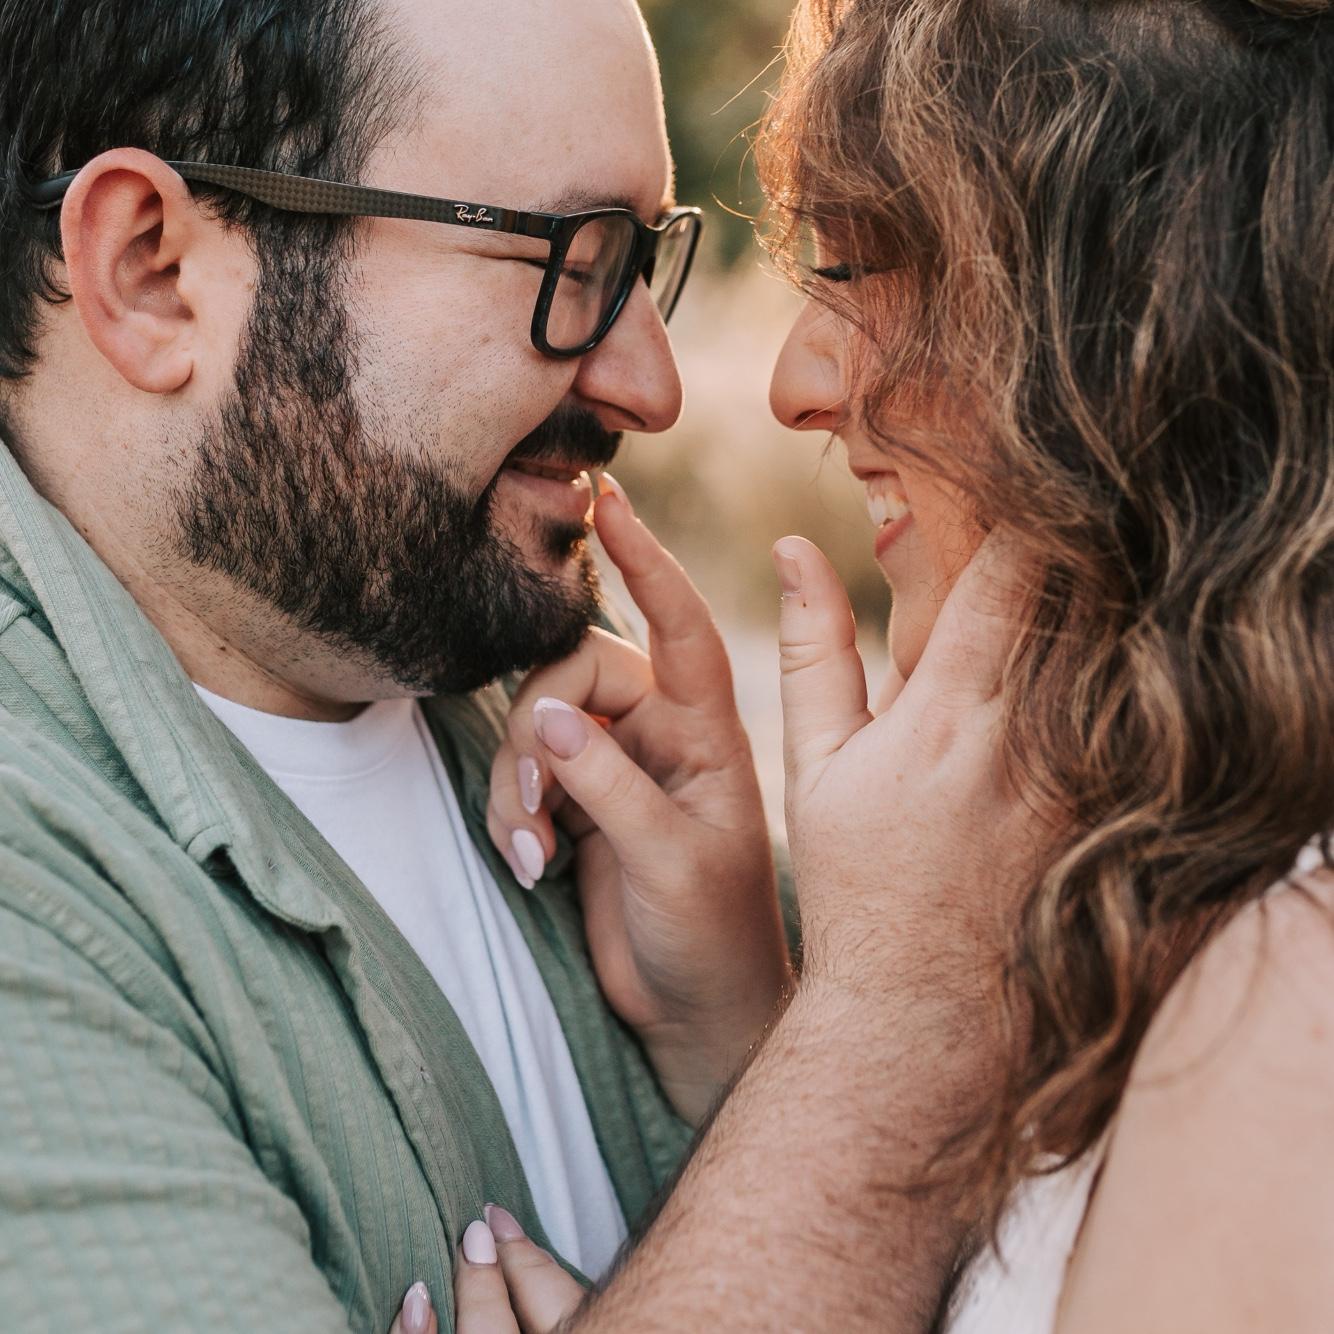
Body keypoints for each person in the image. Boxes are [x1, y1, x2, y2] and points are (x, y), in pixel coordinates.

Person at [451, 0, 1334, 1329]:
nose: (795, 385)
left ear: (1135, 326)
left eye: (857, 268)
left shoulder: (1295, 1008)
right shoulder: (1171, 907)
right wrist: (761, 1030)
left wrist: (884, 997)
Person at [0, 0, 794, 1329]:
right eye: (569, 260)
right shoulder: (37, 889)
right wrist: (891, 1008)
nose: (651, 387)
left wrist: (753, 1038)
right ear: (151, 270)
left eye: (642, 262)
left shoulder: (582, 737)